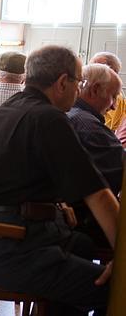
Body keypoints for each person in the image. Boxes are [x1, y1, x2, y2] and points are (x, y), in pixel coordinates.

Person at [0, 45, 119, 315]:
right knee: (116, 288)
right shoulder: (50, 118)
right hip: (9, 248)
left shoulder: (10, 108)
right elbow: (97, 194)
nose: (79, 89)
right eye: (78, 82)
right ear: (62, 82)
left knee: (82, 245)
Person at [67, 64, 123, 248]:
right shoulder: (88, 126)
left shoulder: (70, 115)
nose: (114, 106)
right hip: (84, 220)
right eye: (113, 96)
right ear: (95, 89)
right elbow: (118, 173)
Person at [89, 52, 124, 131]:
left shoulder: (113, 97)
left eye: (95, 66)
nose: (89, 70)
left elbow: (106, 127)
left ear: (111, 72)